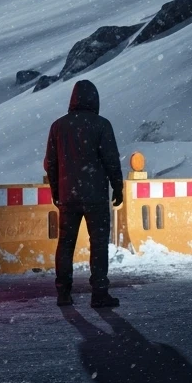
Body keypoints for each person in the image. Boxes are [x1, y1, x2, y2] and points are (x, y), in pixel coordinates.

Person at [44, 79, 124, 308]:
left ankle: (63, 292)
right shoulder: (101, 125)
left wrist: (57, 191)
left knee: (65, 244)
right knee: (98, 244)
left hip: (68, 196)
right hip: (96, 197)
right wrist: (117, 186)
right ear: (95, 99)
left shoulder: (58, 126)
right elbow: (111, 160)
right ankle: (99, 293)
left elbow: (51, 163)